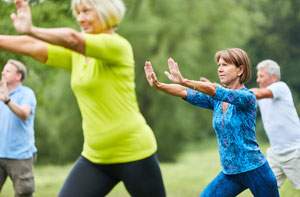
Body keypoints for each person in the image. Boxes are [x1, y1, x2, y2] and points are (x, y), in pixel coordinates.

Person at [0, 0, 166, 196]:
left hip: (134, 152)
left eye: (87, 11)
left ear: (107, 12)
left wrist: (31, 29)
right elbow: (34, 47)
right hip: (95, 157)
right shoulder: (77, 55)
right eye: (78, 13)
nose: (80, 18)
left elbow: (72, 38)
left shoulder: (118, 46)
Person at [144, 48, 279, 197]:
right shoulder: (216, 101)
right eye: (219, 65)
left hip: (255, 170)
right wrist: (158, 85)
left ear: (240, 69)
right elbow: (185, 92)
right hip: (230, 173)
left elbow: (218, 91)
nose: (220, 69)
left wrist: (184, 80)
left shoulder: (247, 97)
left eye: (225, 65)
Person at [251, 59, 300, 190]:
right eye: (258, 76)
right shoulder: (260, 97)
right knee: (265, 188)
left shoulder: (280, 87)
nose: (258, 80)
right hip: (275, 155)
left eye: (261, 76)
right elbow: (242, 99)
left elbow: (257, 93)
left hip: (295, 152)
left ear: (273, 77)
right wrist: (218, 90)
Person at [0, 59, 37, 197]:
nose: (3, 73)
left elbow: (24, 114)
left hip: (20, 156)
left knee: (24, 194)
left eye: (8, 71)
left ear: (18, 76)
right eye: (3, 70)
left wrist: (7, 101)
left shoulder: (27, 94)